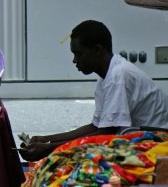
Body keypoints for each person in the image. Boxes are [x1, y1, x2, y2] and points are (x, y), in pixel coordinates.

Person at [19, 20, 168, 162]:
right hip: (142, 139)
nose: (75, 61)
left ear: (97, 50)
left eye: (78, 54)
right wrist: (46, 140)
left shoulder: (118, 75)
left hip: (156, 144)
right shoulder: (107, 75)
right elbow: (96, 127)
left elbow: (105, 135)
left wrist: (50, 148)